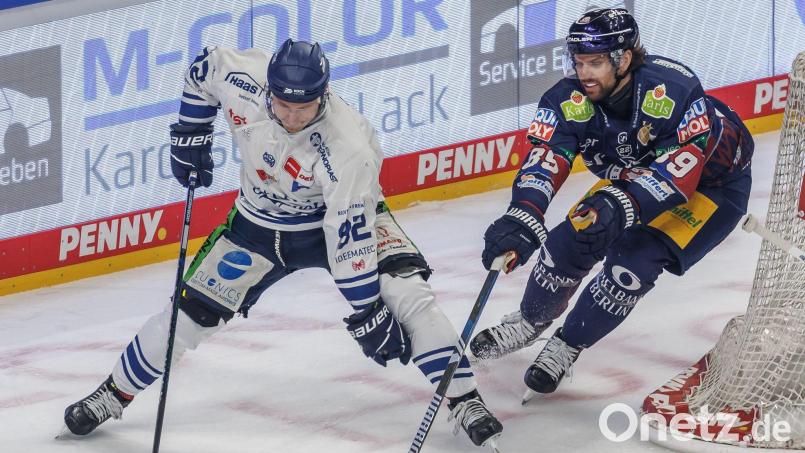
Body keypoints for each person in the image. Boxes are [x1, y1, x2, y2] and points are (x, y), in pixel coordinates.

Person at [62, 38, 502, 448]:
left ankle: (464, 399)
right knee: (189, 314)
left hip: (337, 221)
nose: (291, 115)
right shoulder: (242, 79)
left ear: (323, 96)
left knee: (407, 293)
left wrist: (367, 310)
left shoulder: (349, 147)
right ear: (269, 88)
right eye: (283, 103)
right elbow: (203, 69)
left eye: (303, 107)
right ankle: (113, 393)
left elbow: (349, 240)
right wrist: (190, 130)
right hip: (256, 225)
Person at [469, 8, 753, 402]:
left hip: (711, 189)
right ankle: (531, 320)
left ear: (623, 58)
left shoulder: (674, 89)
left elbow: (678, 175)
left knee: (631, 265)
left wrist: (619, 204)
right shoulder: (568, 99)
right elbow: (546, 158)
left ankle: (568, 344)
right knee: (571, 241)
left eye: (596, 62)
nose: (584, 72)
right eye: (579, 61)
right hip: (633, 178)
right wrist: (525, 212)